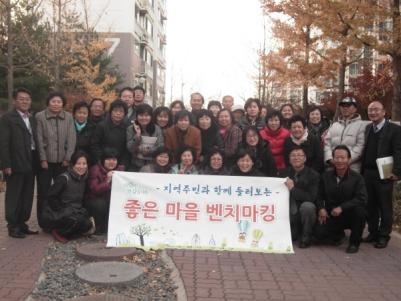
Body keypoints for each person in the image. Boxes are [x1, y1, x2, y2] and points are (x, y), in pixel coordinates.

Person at [0, 88, 39, 238]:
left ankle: (23, 223)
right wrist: (6, 164)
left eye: (27, 99)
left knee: (27, 195)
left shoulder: (32, 118)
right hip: (15, 163)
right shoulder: (7, 119)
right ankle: (13, 225)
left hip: (31, 160)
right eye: (21, 99)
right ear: (15, 101)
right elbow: (3, 143)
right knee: (14, 195)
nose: (25, 101)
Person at [361, 101, 401, 248]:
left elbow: (398, 151)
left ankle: (384, 236)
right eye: (370, 110)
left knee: (384, 206)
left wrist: (397, 172)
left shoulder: (394, 129)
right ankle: (373, 232)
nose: (373, 112)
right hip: (368, 173)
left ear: (384, 112)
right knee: (369, 205)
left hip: (385, 173)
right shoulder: (367, 128)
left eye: (376, 110)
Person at [315, 145, 367, 254]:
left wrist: (342, 207)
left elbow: (361, 198)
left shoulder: (357, 178)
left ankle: (354, 243)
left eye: (343, 158)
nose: (339, 161)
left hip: (349, 214)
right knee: (318, 234)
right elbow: (319, 195)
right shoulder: (325, 176)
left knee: (360, 211)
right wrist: (321, 208)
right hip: (331, 214)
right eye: (337, 158)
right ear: (333, 159)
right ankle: (338, 234)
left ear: (348, 159)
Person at [36, 91, 76, 229]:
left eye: (59, 102)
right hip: (45, 162)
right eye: (53, 101)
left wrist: (68, 158)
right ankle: (43, 222)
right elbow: (39, 140)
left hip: (62, 162)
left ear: (62, 104)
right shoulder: (40, 117)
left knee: (60, 192)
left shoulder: (68, 117)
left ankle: (58, 219)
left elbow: (71, 139)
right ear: (48, 102)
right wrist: (42, 159)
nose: (56, 104)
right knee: (43, 192)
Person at [43, 151, 95, 243]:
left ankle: (71, 232)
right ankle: (58, 232)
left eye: (84, 164)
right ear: (72, 164)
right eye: (78, 163)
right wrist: (63, 210)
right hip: (59, 213)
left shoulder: (84, 178)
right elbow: (51, 197)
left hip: (75, 211)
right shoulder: (64, 178)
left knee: (87, 224)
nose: (81, 167)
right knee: (76, 221)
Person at [279, 146, 319, 248]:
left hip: (304, 210)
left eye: (299, 155)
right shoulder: (283, 173)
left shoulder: (313, 175)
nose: (296, 158)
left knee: (308, 206)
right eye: (293, 155)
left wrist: (293, 189)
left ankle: (306, 238)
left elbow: (311, 197)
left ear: (305, 158)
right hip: (289, 209)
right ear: (289, 159)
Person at [324, 97, 368, 172]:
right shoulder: (334, 125)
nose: (345, 108)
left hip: (352, 168)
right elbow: (327, 144)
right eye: (343, 106)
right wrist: (330, 159)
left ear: (355, 109)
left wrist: (346, 161)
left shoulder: (361, 125)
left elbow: (360, 146)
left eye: (348, 106)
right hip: (333, 167)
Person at [86, 148, 124, 234]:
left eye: (114, 159)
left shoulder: (120, 170)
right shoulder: (95, 170)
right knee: (100, 204)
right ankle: (98, 228)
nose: (111, 162)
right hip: (95, 200)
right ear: (103, 160)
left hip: (111, 198)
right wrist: (108, 180)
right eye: (108, 159)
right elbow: (95, 190)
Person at [91, 99, 130, 169]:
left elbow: (127, 148)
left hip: (119, 164)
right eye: (115, 111)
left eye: (121, 111)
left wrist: (123, 163)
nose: (118, 113)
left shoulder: (127, 127)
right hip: (103, 163)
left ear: (125, 114)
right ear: (111, 112)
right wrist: (100, 160)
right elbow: (94, 145)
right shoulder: (102, 126)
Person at [126, 104, 164, 171]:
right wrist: (137, 136)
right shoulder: (130, 129)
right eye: (141, 115)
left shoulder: (157, 129)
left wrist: (149, 150)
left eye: (147, 115)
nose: (144, 118)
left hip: (153, 165)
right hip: (135, 164)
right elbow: (129, 148)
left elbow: (160, 146)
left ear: (151, 117)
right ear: (137, 116)